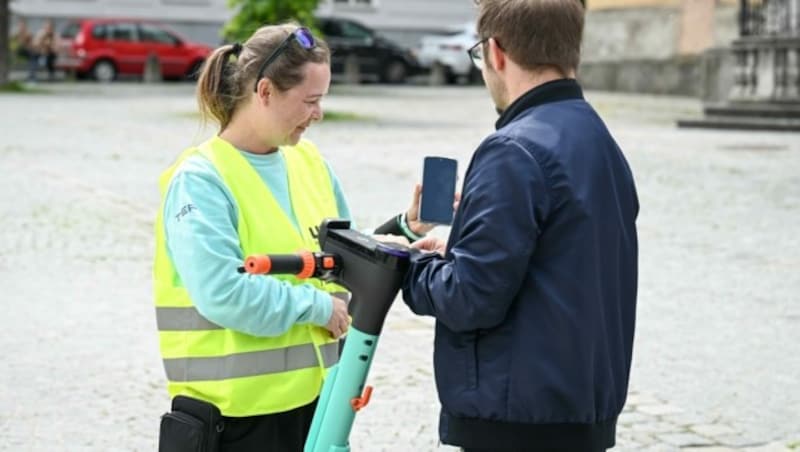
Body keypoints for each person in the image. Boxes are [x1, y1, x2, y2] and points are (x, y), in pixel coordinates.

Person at [153, 23, 430, 452]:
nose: (318, 113)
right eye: (310, 100)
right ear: (264, 92)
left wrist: (405, 229)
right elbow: (221, 291)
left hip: (316, 404)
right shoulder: (201, 181)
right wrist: (318, 308)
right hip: (236, 422)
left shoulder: (310, 163)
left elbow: (342, 261)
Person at [401, 1, 639, 451]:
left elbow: (470, 297)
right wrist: (459, 248)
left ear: (495, 52)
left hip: (515, 417)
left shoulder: (513, 149)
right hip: (576, 408)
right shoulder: (598, 138)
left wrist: (411, 265)